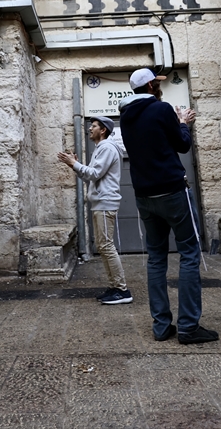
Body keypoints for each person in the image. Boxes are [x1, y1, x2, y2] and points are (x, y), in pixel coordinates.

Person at [118, 68, 215, 344]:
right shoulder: (161, 110)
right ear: (150, 85)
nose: (159, 87)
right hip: (172, 191)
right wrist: (183, 122)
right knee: (189, 253)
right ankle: (188, 326)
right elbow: (182, 145)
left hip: (144, 197)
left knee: (156, 258)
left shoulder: (126, 117)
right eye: (156, 83)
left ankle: (161, 326)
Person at [59, 116, 132, 305]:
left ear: (103, 130)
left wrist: (74, 164)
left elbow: (94, 173)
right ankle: (115, 286)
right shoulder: (101, 148)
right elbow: (90, 176)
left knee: (106, 246)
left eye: (93, 126)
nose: (90, 129)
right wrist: (74, 166)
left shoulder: (107, 148)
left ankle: (122, 290)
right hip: (101, 202)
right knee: (103, 246)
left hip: (106, 203)